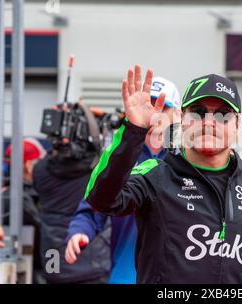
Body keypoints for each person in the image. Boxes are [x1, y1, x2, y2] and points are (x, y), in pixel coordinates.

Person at [85, 64, 242, 284]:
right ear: (182, 120)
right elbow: (101, 199)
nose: (210, 122)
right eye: (199, 112)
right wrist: (133, 130)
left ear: (238, 125)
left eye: (223, 114)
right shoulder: (154, 175)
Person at [65, 76, 180, 284]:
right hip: (126, 276)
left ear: (177, 115)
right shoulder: (118, 159)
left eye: (163, 108)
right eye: (149, 106)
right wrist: (79, 231)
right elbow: (94, 207)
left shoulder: (188, 161)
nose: (154, 115)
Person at [33, 103, 111, 284]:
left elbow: (51, 159)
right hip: (92, 264)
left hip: (53, 262)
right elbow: (111, 152)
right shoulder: (98, 168)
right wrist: (100, 122)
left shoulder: (40, 171)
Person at [3, 138, 46, 283]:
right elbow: (49, 247)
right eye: (40, 163)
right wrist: (56, 271)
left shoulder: (0, 194)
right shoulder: (24, 200)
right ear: (28, 166)